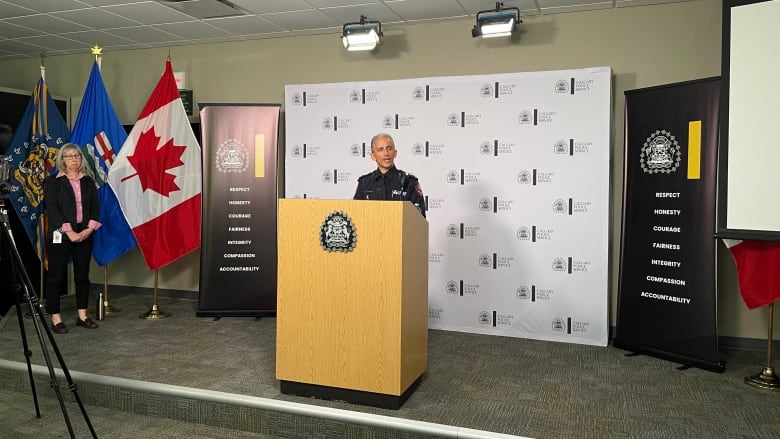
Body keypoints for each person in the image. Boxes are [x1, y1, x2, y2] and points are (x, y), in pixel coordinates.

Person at [44, 143, 101, 333]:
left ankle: (82, 316)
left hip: (85, 233)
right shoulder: (53, 182)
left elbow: (95, 208)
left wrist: (88, 230)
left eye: (77, 156)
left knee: (82, 276)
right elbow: (53, 211)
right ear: (62, 160)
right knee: (55, 276)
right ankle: (56, 318)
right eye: (69, 156)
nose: (74, 159)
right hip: (61, 234)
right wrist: (70, 233)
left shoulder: (88, 181)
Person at [353, 133, 426, 217]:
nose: (386, 153)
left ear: (395, 153)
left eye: (389, 148)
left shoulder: (409, 182)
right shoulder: (364, 183)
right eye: (380, 149)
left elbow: (420, 219)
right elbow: (356, 215)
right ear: (373, 156)